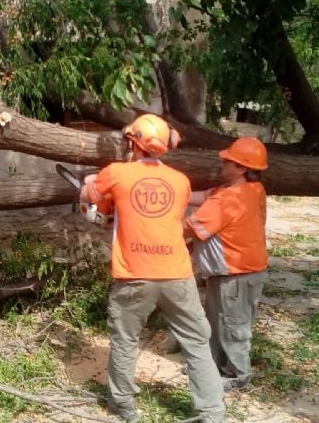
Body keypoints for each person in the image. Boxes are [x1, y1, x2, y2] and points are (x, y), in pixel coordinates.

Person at [79, 114, 225, 423]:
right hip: (177, 273)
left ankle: (123, 406)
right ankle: (212, 412)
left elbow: (91, 201)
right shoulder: (181, 181)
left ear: (133, 142)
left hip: (134, 275)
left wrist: (88, 187)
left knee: (125, 340)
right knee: (197, 341)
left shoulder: (115, 172)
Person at [184, 137, 270, 392]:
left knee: (233, 325)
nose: (222, 163)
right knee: (218, 320)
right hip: (235, 271)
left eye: (228, 161)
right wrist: (170, 191)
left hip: (236, 272)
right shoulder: (249, 190)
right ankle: (212, 367)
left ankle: (237, 374)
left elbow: (188, 229)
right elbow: (201, 196)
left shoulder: (228, 200)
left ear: (242, 168)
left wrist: (151, 225)